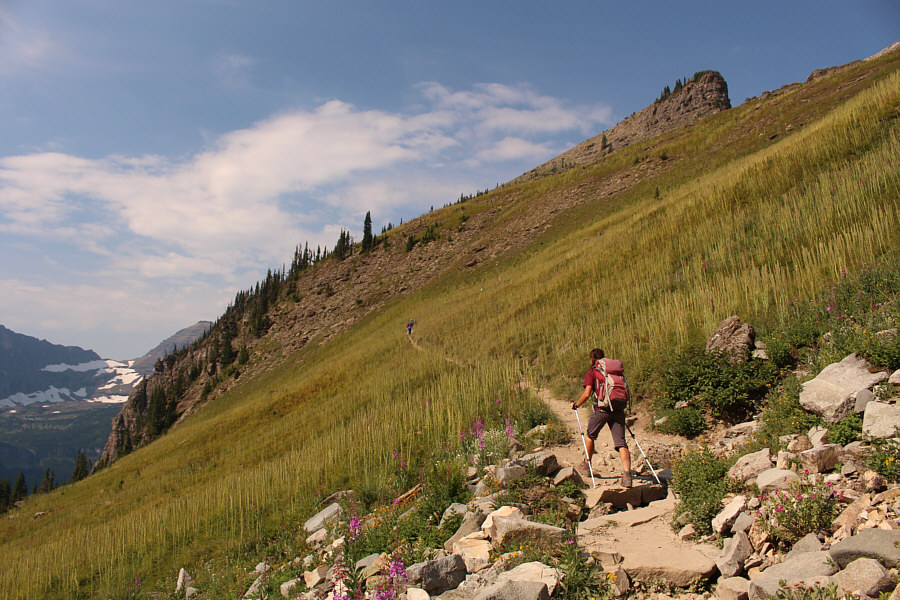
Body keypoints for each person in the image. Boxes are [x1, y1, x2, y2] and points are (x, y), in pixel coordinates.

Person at [572, 348, 633, 487]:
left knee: (590, 435)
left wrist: (576, 404)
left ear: (591, 359)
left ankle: (586, 466)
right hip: (617, 408)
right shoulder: (614, 372)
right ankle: (627, 475)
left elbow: (587, 393)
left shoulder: (592, 372)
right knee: (621, 443)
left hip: (602, 409)